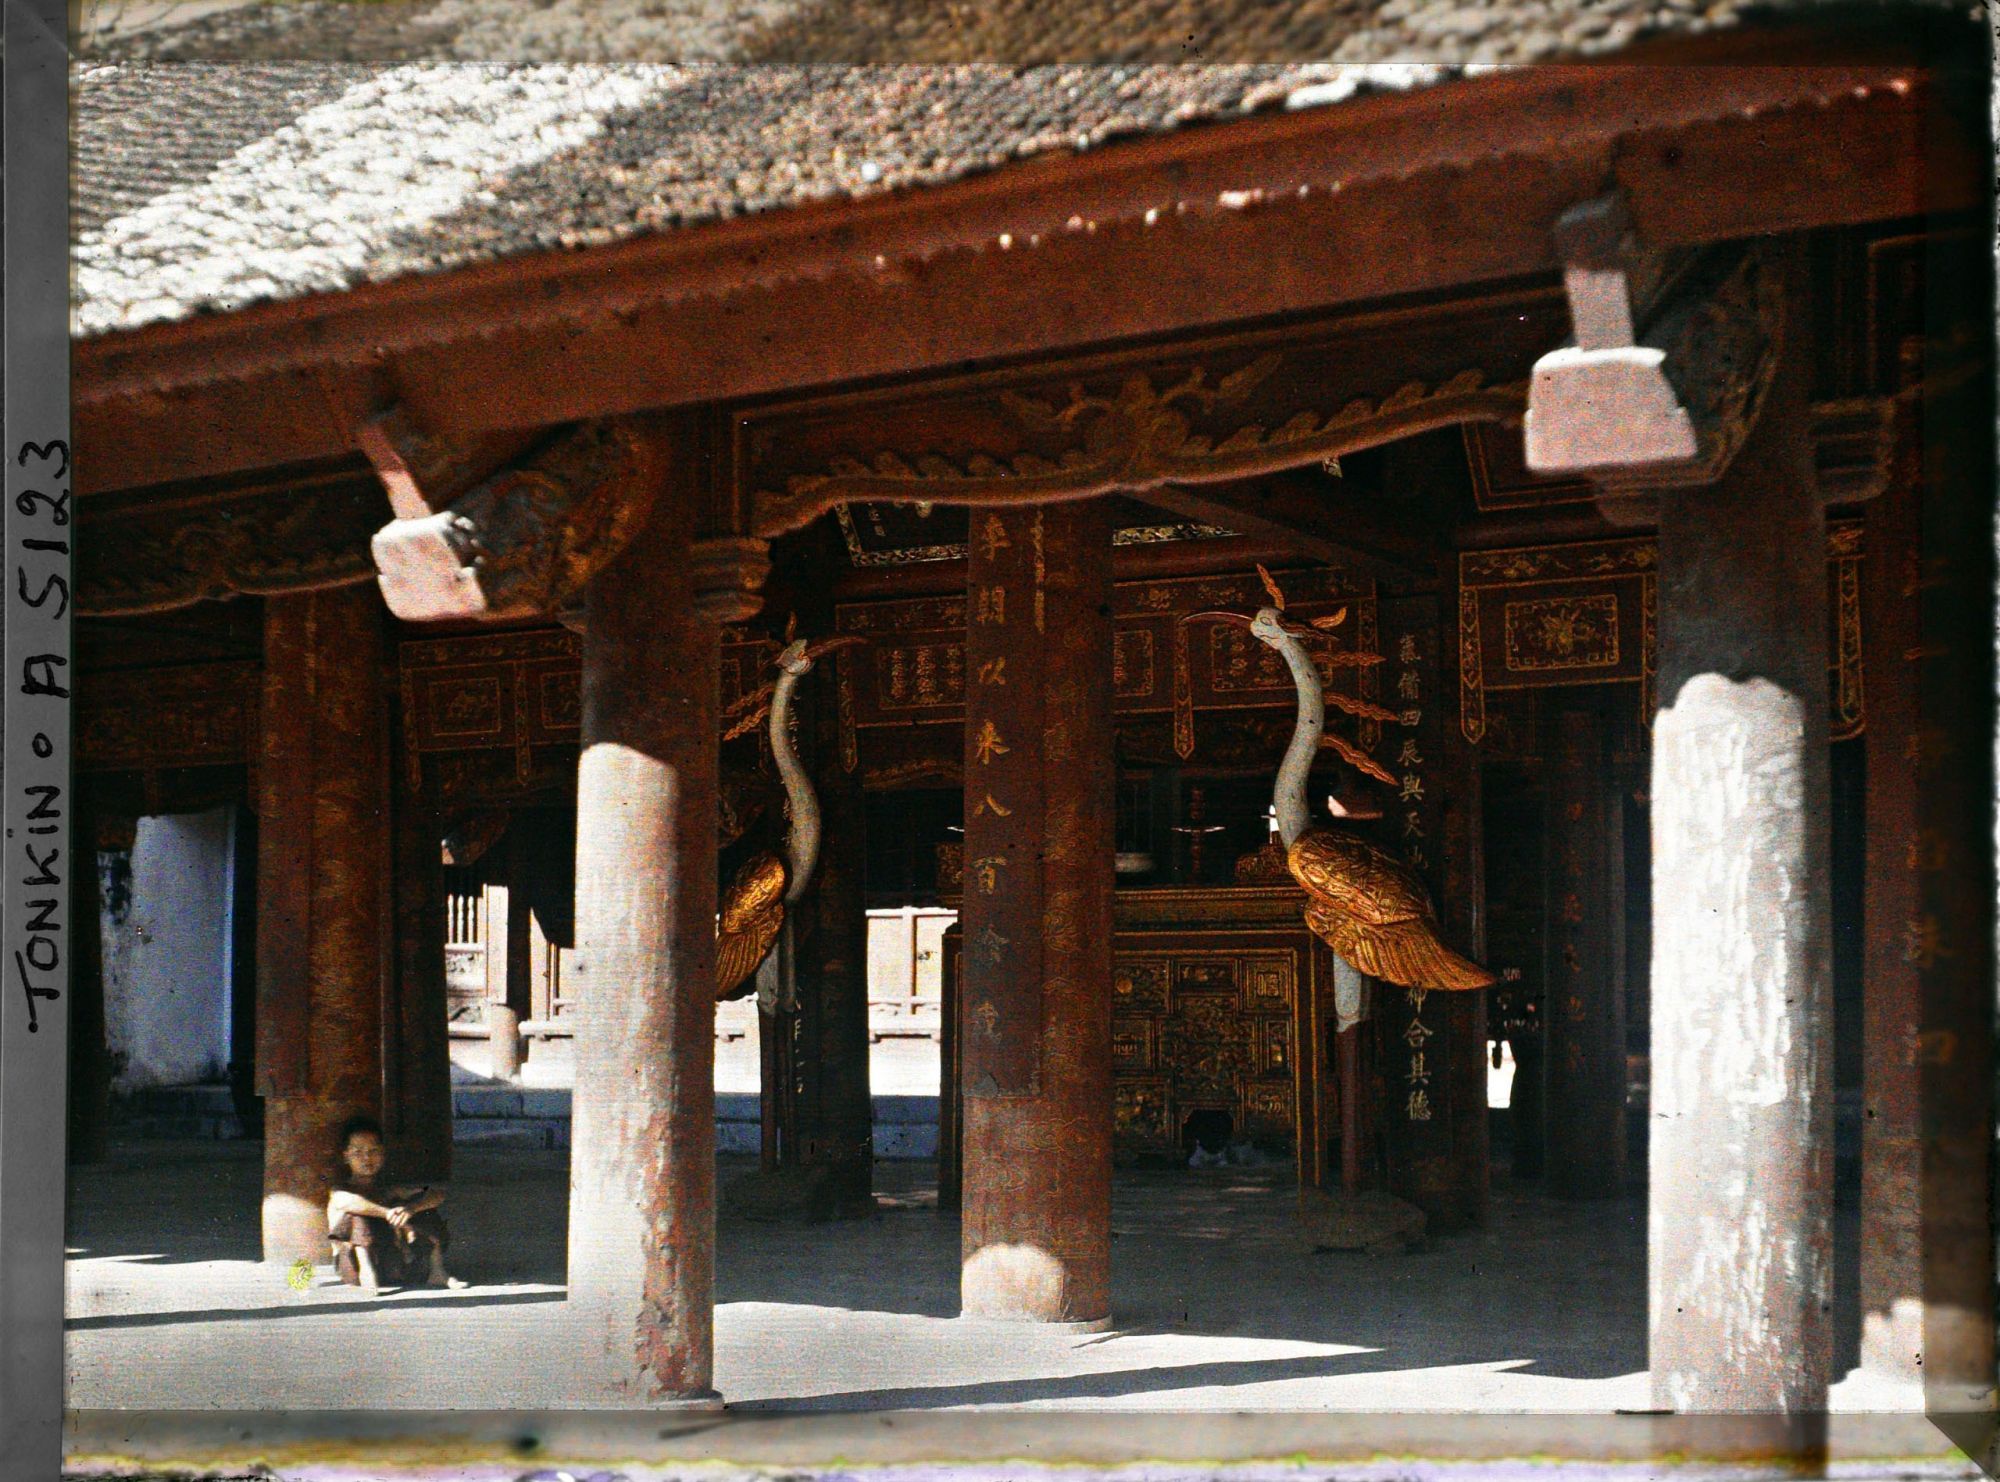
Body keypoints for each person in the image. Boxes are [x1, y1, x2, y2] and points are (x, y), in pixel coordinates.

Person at [326, 1115, 464, 1290]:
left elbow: (436, 1194)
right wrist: (387, 1213)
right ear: (346, 1156)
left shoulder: (388, 1189)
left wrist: (411, 1209)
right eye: (358, 1152)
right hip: (354, 1267)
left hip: (391, 1264)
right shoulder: (340, 1190)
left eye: (374, 1151)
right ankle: (367, 1272)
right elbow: (348, 1203)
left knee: (424, 1208)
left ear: (383, 1153)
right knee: (357, 1215)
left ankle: (437, 1272)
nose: (367, 1158)